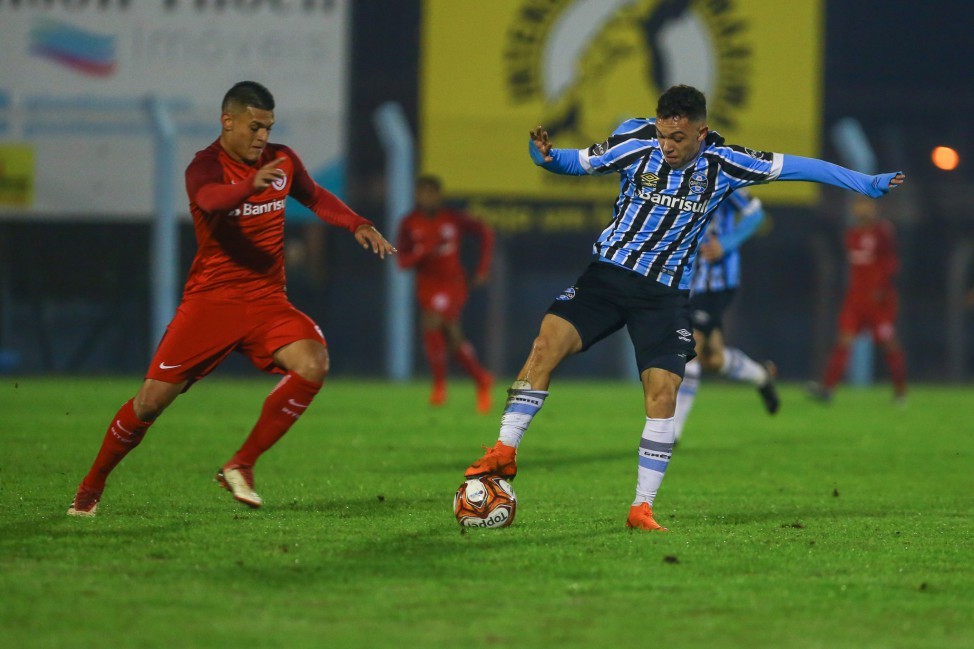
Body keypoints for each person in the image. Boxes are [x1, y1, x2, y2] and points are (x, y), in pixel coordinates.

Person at [462, 84, 905, 531]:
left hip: (664, 296)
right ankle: (505, 449)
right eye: (662, 135)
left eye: (678, 138)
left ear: (701, 131)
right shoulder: (635, 140)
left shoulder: (726, 162)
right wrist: (545, 157)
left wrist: (864, 183)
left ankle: (641, 508)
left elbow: (801, 166)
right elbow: (577, 162)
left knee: (662, 395)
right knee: (545, 346)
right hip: (608, 277)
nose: (667, 146)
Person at [67, 81, 396, 516]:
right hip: (211, 304)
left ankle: (241, 464)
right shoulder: (204, 167)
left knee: (313, 362)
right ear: (228, 121)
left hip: (266, 302)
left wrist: (356, 223)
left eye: (268, 127)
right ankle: (91, 488)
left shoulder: (281, 160)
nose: (262, 136)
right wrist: (249, 187)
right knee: (149, 403)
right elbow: (210, 198)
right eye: (254, 126)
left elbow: (314, 196)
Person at [674, 188, 778, 443]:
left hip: (716, 284)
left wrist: (725, 243)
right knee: (713, 360)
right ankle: (760, 375)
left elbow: (756, 216)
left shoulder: (722, 177)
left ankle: (670, 433)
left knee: (690, 346)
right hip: (687, 283)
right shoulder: (671, 178)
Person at [396, 175, 495, 413]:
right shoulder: (409, 223)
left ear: (438, 196)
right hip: (427, 285)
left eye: (432, 193)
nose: (427, 198)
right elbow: (402, 262)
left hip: (452, 284)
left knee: (432, 322)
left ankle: (439, 386)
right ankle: (481, 378)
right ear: (416, 195)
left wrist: (482, 269)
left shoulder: (452, 219)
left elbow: (485, 232)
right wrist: (421, 252)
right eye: (423, 193)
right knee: (452, 338)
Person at [807, 196, 907, 404]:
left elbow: (892, 262)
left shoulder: (882, 232)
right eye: (858, 205)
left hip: (880, 300)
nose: (862, 209)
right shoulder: (851, 234)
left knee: (889, 344)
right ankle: (827, 389)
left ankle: (900, 391)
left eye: (866, 205)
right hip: (855, 299)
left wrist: (882, 287)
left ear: (875, 208)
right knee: (843, 341)